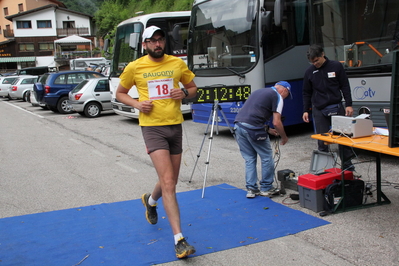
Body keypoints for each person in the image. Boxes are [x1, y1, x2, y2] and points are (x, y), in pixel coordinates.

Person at [115, 26, 197, 259]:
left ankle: (150, 201)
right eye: (152, 41)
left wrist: (184, 93)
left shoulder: (176, 64)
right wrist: (137, 104)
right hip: (152, 128)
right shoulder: (135, 66)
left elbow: (193, 88)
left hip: (175, 126)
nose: (157, 44)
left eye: (160, 40)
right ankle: (179, 240)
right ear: (144, 44)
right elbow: (120, 93)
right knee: (169, 182)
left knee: (170, 179)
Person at [302, 44, 357, 174]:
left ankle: (347, 166)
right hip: (319, 109)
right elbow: (306, 92)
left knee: (343, 138)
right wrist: (305, 110)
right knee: (322, 141)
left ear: (323, 55)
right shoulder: (309, 72)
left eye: (316, 60)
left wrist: (348, 104)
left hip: (336, 106)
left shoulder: (336, 66)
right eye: (312, 62)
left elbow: (345, 86)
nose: (315, 63)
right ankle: (324, 169)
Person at [234, 81, 291, 198]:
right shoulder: (278, 96)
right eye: (287, 95)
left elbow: (251, 114)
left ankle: (251, 189)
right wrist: (284, 137)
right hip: (253, 128)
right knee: (266, 157)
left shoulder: (259, 91)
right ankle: (266, 187)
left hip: (238, 125)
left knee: (249, 158)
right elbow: (276, 122)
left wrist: (267, 129)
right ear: (285, 90)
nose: (286, 98)